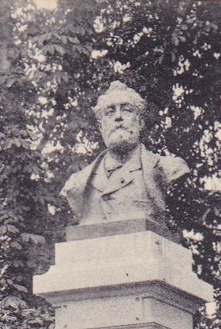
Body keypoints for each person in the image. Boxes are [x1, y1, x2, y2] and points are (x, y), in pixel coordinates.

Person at [61, 81, 189, 226]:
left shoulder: (168, 168)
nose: (118, 117)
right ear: (101, 127)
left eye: (126, 110)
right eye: (110, 112)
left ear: (140, 122)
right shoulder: (77, 183)